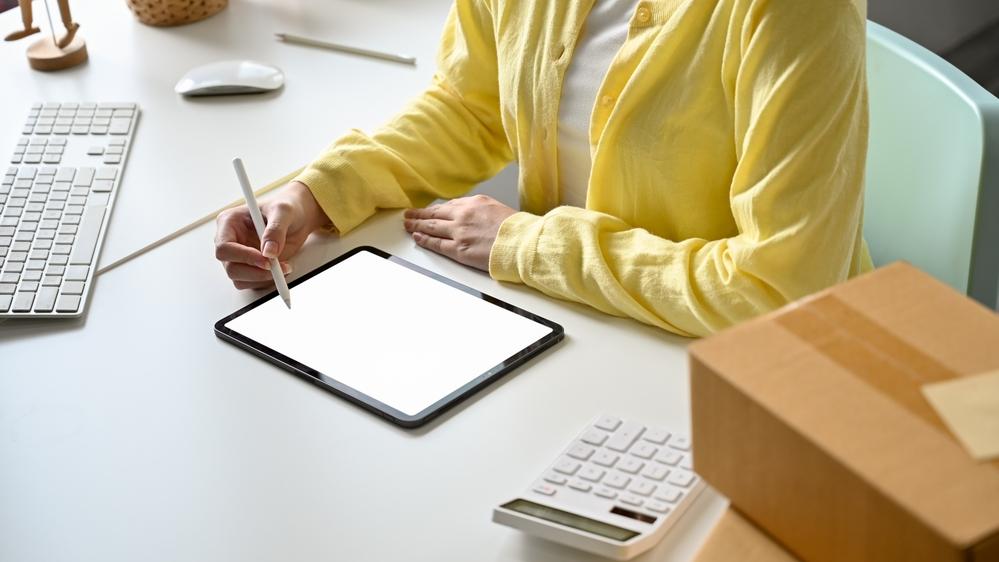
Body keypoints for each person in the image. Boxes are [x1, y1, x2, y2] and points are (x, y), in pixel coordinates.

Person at [214, 0, 872, 337]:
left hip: (736, 365)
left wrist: (526, 244)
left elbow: (779, 288)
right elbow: (472, 108)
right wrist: (315, 194)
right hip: (576, 324)